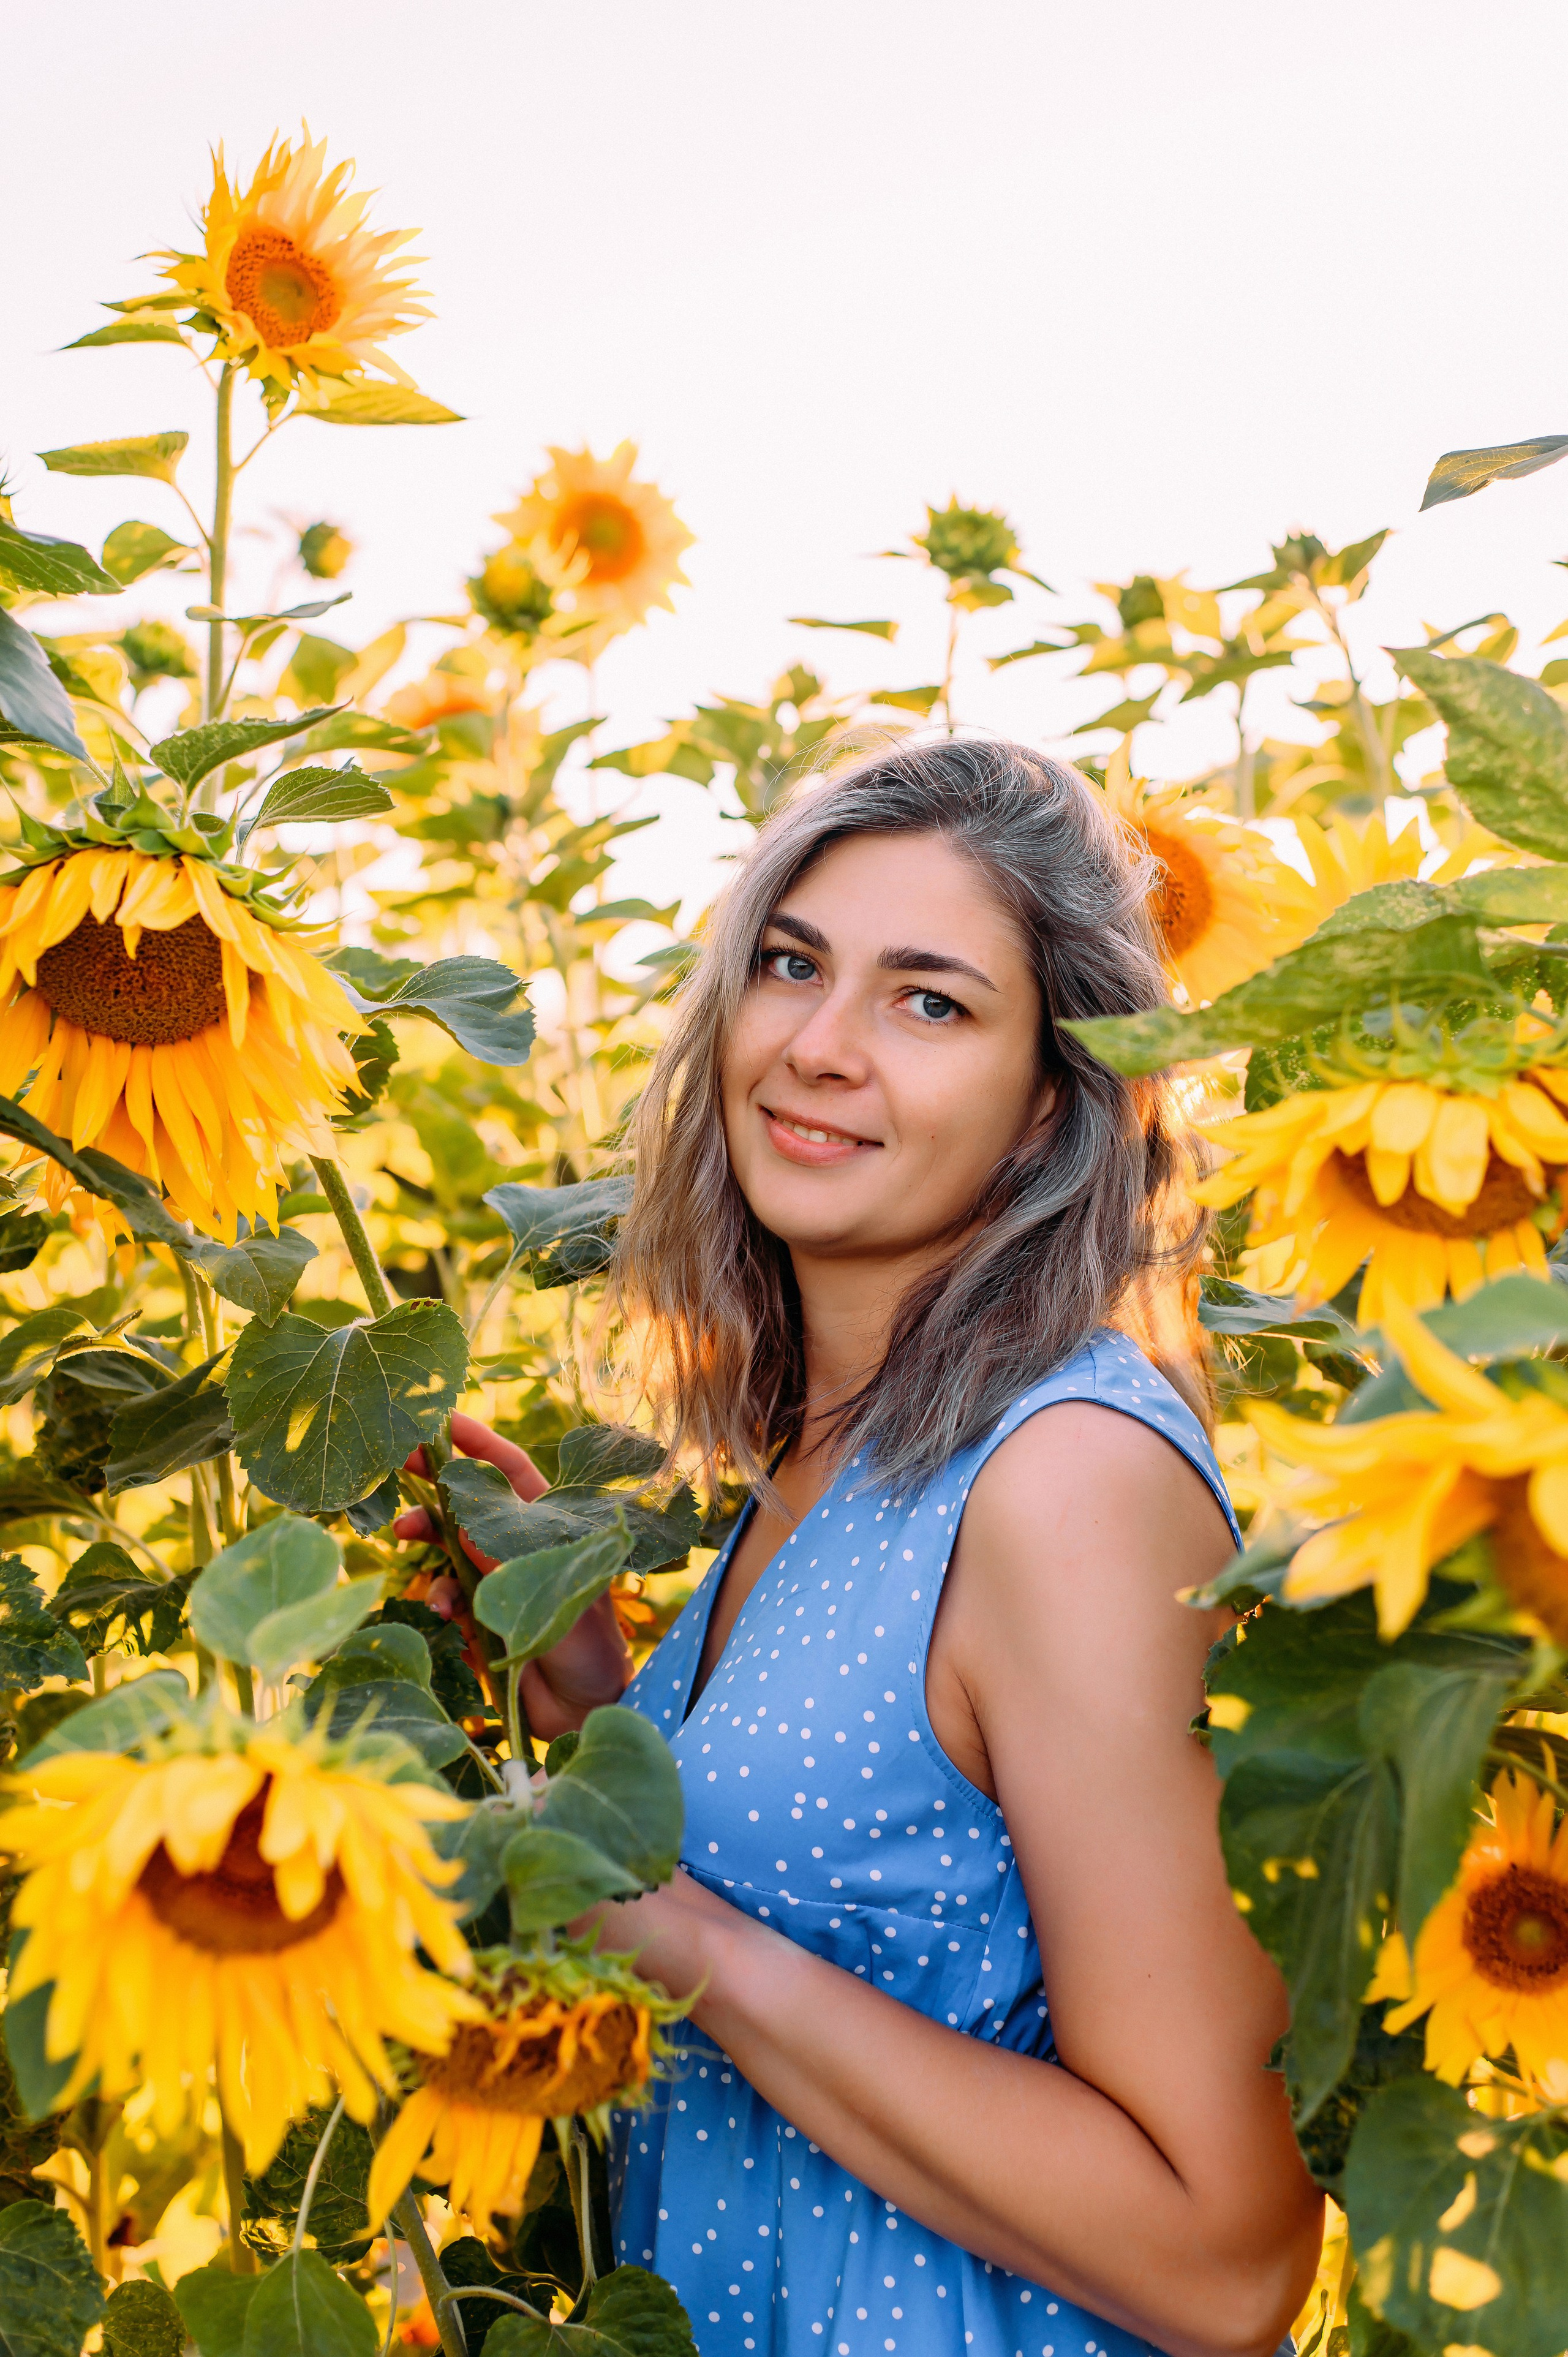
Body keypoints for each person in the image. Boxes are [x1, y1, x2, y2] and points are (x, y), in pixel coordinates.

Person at [398, 738, 1322, 2357]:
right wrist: (599, 1712)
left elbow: (1227, 2257)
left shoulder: (1065, 1480)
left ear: (1052, 1104)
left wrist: (687, 1944)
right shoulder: (839, 1456)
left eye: (930, 1001)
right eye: (791, 965)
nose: (818, 1048)